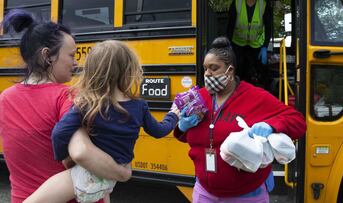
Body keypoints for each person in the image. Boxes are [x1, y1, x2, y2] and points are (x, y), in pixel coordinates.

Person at [24, 40, 180, 203]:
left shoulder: (87, 105)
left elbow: (60, 133)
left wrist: (63, 158)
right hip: (111, 178)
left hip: (86, 176)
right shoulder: (139, 106)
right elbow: (159, 131)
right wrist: (173, 116)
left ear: (92, 72)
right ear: (129, 71)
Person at [0, 10, 131, 203]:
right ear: (48, 56)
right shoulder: (67, 96)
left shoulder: (5, 98)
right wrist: (122, 172)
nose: (76, 62)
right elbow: (82, 152)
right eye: (71, 55)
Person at [174, 37, 306, 203]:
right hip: (204, 193)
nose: (207, 73)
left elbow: (298, 121)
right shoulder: (198, 98)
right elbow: (191, 137)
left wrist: (271, 126)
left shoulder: (256, 97)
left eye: (213, 68)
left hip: (246, 195)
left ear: (230, 71)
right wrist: (182, 127)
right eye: (205, 68)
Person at [227, 0, 272, 86]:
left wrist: (265, 47)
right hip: (238, 44)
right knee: (238, 70)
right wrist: (228, 45)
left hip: (256, 44)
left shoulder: (263, 5)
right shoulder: (236, 3)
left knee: (261, 71)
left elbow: (268, 28)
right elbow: (230, 26)